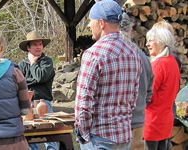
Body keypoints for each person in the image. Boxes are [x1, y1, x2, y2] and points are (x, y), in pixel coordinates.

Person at [74, 0, 142, 149]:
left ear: (101, 23)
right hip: (123, 136)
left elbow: (84, 101)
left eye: (91, 21)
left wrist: (84, 134)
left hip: (100, 137)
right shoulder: (133, 53)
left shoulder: (94, 54)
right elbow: (133, 99)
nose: (89, 26)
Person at [18, 30, 57, 150]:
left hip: (44, 103)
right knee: (30, 138)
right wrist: (34, 80)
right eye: (35, 44)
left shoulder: (47, 62)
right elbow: (20, 83)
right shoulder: (22, 64)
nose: (39, 47)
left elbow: (40, 77)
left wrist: (34, 64)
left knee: (50, 137)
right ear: (28, 47)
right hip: (27, 105)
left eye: (40, 44)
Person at [120, 12, 154, 150]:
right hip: (138, 123)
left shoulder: (119, 54)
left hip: (119, 127)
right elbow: (149, 92)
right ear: (130, 30)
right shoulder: (142, 56)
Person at [143, 28, 180, 150]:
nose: (147, 44)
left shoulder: (158, 65)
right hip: (165, 121)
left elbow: (148, 95)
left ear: (162, 42)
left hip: (152, 122)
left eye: (151, 41)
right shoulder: (172, 61)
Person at [151, 20, 182, 117]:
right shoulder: (170, 59)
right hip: (165, 110)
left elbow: (151, 91)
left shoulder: (163, 62)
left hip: (158, 111)